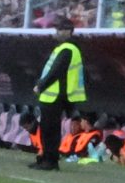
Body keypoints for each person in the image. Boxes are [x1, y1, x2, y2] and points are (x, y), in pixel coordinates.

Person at [33, 16, 86, 171]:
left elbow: (56, 72)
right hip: (52, 94)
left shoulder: (68, 49)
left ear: (68, 32)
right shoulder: (63, 48)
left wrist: (41, 85)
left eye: (59, 29)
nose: (56, 31)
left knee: (51, 129)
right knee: (46, 129)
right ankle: (44, 158)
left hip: (56, 95)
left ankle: (50, 161)